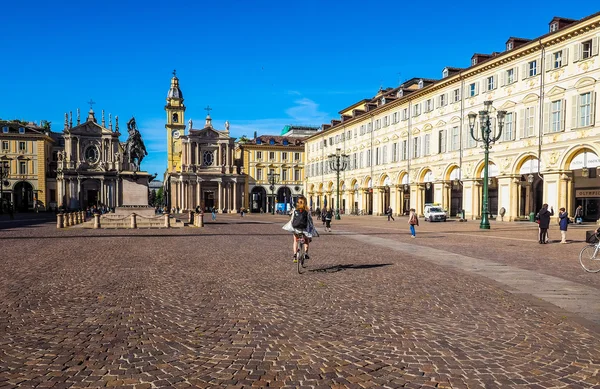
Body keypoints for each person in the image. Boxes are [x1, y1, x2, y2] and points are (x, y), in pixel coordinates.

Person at [283, 195, 317, 263]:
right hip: (304, 230)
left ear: (298, 203)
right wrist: (312, 228)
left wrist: (290, 227)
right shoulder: (307, 211)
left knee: (295, 241)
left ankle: (295, 255)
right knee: (306, 240)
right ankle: (306, 253)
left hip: (296, 229)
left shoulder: (295, 210)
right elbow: (310, 221)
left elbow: (292, 220)